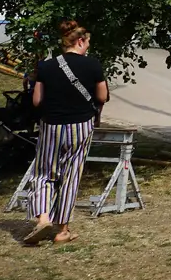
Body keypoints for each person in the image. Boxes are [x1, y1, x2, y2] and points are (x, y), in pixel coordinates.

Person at [25, 20, 109, 245]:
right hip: (80, 126)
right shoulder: (93, 65)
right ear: (80, 41)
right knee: (71, 175)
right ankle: (63, 230)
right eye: (88, 42)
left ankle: (43, 218)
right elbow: (102, 97)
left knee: (44, 173)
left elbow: (36, 101)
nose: (89, 46)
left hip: (51, 125)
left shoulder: (46, 66)